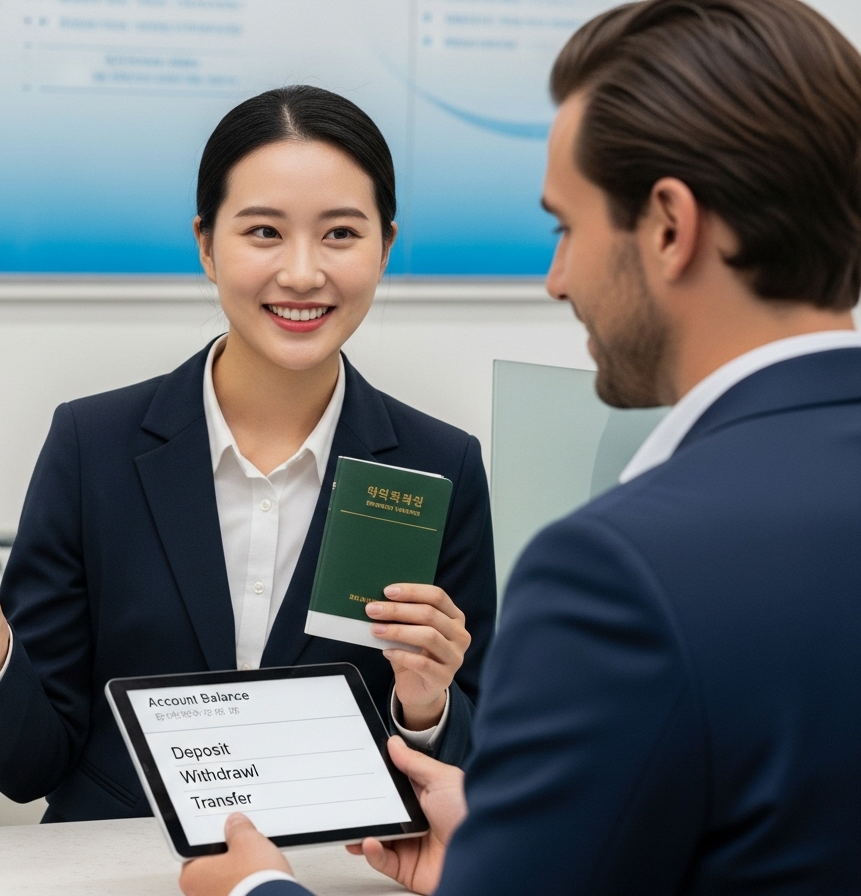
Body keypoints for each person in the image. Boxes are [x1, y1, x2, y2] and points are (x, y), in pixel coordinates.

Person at [179, 1, 861, 893]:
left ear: (668, 226)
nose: (556, 280)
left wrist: (253, 891)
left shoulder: (618, 571)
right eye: (263, 230)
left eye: (566, 228)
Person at [0, 86, 497, 823]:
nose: (304, 273)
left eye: (340, 233)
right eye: (264, 232)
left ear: (386, 247)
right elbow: (31, 769)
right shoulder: (95, 447)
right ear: (207, 245)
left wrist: (427, 704)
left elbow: (468, 766)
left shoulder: (438, 467)